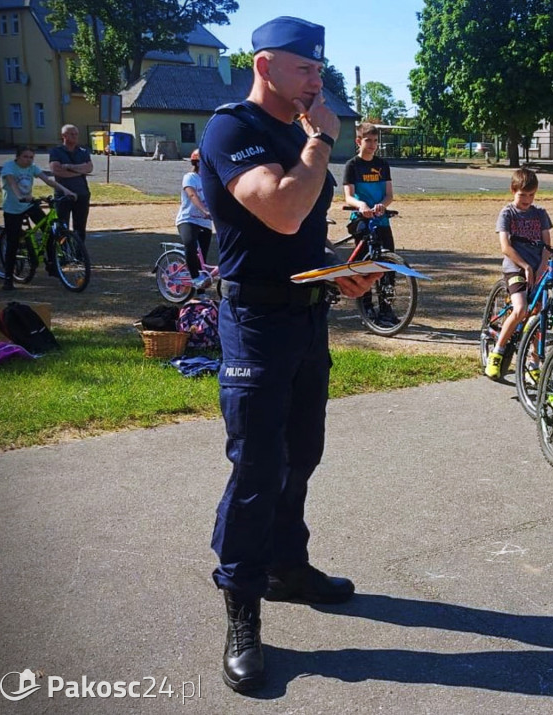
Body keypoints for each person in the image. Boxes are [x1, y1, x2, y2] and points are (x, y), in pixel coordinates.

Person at [197, 16, 381, 694]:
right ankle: (242, 607)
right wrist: (324, 140)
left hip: (307, 317)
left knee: (301, 452)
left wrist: (341, 271)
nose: (319, 81)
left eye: (321, 70)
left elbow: (301, 236)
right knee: (257, 467)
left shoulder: (299, 133)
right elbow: (278, 209)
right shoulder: (232, 128)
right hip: (253, 321)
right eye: (308, 69)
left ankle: (286, 567)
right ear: (267, 64)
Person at [484, 167, 552, 379]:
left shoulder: (540, 213)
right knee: (521, 308)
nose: (527, 200)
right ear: (513, 191)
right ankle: (498, 352)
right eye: (523, 195)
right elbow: (505, 247)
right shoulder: (507, 213)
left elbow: (547, 246)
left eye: (531, 195)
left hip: (537, 269)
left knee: (537, 316)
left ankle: (534, 362)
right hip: (515, 267)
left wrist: (541, 267)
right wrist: (525, 266)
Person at [0, 146, 77, 291]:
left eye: (31, 157)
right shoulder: (9, 167)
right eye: (25, 157)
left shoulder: (32, 168)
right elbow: (11, 183)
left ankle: (52, 265)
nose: (28, 160)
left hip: (28, 204)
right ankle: (8, 278)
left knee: (49, 231)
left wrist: (67, 191)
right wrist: (19, 196)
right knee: (13, 242)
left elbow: (48, 180)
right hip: (13, 208)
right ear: (18, 157)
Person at [342, 121, 396, 326]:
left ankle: (386, 308)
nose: (373, 145)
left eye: (375, 141)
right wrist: (361, 205)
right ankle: (366, 309)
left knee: (388, 264)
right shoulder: (352, 165)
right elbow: (348, 197)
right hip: (361, 220)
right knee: (364, 265)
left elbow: (389, 195)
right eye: (368, 140)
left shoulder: (383, 165)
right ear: (358, 141)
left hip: (381, 220)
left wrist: (382, 205)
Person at [176, 149, 213, 292]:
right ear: (197, 163)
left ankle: (200, 293)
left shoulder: (211, 181)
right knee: (190, 245)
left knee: (202, 258)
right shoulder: (190, 177)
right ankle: (194, 278)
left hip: (204, 222)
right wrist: (205, 211)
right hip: (188, 219)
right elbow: (192, 195)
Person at [48, 124, 93, 242]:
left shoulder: (83, 151)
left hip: (82, 193)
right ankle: (63, 255)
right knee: (62, 227)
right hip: (63, 194)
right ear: (64, 136)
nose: (75, 136)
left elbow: (89, 168)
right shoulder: (56, 152)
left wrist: (69, 167)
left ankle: (79, 255)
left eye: (76, 134)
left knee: (80, 227)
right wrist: (80, 170)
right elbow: (56, 170)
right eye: (71, 134)